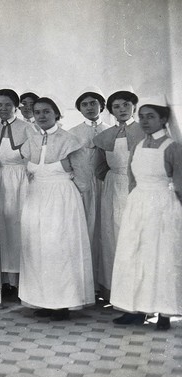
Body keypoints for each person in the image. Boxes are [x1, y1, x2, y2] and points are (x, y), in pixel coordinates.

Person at [19, 96, 95, 321]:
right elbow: (29, 169)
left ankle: (63, 303)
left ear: (56, 114)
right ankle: (43, 300)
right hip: (36, 198)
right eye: (38, 112)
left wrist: (73, 201)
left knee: (59, 249)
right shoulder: (31, 140)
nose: (41, 116)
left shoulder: (70, 140)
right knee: (37, 250)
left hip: (62, 200)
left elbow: (83, 177)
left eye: (46, 112)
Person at [110, 100, 182, 331]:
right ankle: (136, 309)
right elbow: (133, 179)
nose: (145, 121)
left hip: (162, 206)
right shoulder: (138, 146)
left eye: (150, 116)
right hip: (138, 205)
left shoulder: (173, 147)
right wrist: (134, 204)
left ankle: (164, 312)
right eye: (142, 117)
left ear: (163, 120)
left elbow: (180, 184)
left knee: (160, 257)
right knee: (134, 256)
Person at [0, 88, 36, 295]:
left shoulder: (28, 128)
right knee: (1, 227)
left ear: (16, 106)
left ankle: (22, 281)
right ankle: (2, 280)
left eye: (8, 105)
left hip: (22, 181)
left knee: (20, 227)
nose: (3, 109)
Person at [93, 88, 144, 299]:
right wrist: (116, 179)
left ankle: (137, 293)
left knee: (134, 238)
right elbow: (99, 167)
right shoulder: (105, 136)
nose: (121, 109)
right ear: (111, 110)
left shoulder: (144, 131)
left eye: (126, 105)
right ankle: (115, 292)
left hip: (137, 187)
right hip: (113, 188)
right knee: (112, 236)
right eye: (116, 106)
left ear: (133, 106)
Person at [68, 87, 110, 297]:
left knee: (107, 232)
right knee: (87, 231)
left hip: (106, 187)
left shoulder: (111, 130)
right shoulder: (73, 133)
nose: (89, 107)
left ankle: (107, 283)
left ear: (101, 105)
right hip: (83, 187)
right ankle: (87, 284)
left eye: (93, 103)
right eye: (84, 104)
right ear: (79, 109)